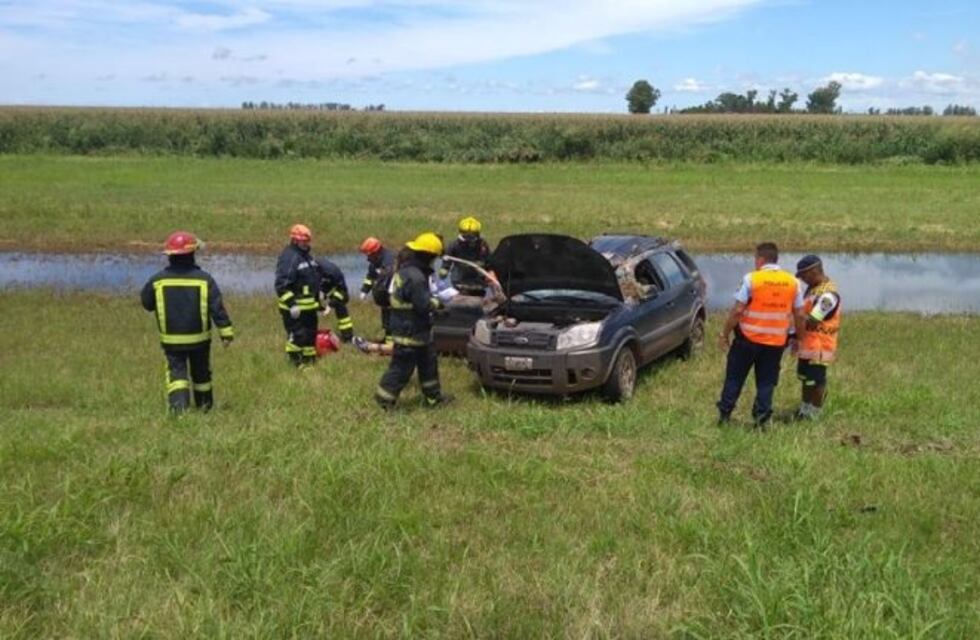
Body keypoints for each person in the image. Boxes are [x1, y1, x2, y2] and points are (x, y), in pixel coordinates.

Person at [140, 231, 234, 414]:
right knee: (202, 375)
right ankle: (205, 408)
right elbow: (217, 308)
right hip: (200, 341)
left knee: (177, 375)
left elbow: (147, 303)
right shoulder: (205, 279)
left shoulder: (158, 280)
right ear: (192, 254)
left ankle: (179, 411)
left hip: (172, 341)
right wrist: (226, 332)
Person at [716, 242, 806, 428]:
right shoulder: (793, 282)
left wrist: (724, 333)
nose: (754, 262)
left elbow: (737, 310)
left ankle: (725, 416)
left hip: (747, 340)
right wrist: (798, 338)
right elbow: (799, 314)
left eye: (755, 258)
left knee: (734, 378)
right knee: (766, 383)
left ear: (761, 259)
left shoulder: (751, 279)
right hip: (775, 343)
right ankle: (761, 420)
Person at [374, 232, 454, 409]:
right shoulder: (416, 277)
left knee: (429, 366)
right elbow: (423, 304)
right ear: (428, 256)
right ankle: (384, 401)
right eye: (434, 258)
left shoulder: (407, 270)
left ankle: (434, 399)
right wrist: (439, 305)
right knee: (401, 369)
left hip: (418, 330)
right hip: (409, 331)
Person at [793, 254, 842, 420]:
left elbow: (813, 320)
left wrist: (794, 318)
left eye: (804, 275)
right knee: (806, 379)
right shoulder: (812, 289)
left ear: (814, 271)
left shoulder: (828, 295)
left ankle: (815, 413)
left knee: (817, 381)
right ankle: (804, 409)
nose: (803, 279)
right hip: (807, 345)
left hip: (820, 347)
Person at [275, 224, 321, 367]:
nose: (307, 243)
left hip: (309, 308)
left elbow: (312, 278)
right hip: (295, 310)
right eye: (304, 241)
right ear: (295, 240)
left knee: (310, 336)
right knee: (298, 336)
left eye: (308, 241)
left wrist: (320, 297)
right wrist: (292, 305)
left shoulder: (306, 256)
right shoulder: (290, 257)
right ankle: (295, 363)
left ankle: (309, 362)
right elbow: (281, 285)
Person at [358, 237, 396, 342]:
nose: (367, 257)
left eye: (369, 254)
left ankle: (391, 343)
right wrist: (364, 290)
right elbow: (370, 276)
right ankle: (388, 339)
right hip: (385, 298)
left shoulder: (389, 261)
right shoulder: (375, 261)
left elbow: (390, 281)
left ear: (376, 252)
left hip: (393, 295)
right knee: (386, 319)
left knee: (393, 319)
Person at [441, 216, 492, 295]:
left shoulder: (482, 244)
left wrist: (488, 270)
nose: (469, 238)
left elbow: (488, 259)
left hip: (478, 279)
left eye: (472, 235)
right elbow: (448, 257)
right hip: (459, 278)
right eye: (466, 235)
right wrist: (445, 268)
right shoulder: (455, 245)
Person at [316, 257, 354, 342]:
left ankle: (348, 336)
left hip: (339, 292)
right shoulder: (309, 271)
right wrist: (320, 296)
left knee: (340, 305)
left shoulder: (334, 273)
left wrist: (330, 305)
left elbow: (342, 292)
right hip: (322, 287)